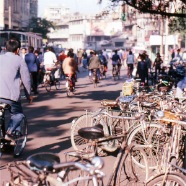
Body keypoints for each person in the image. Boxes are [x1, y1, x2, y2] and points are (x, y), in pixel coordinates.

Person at [0, 38, 32, 139]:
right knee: (18, 114)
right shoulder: (19, 60)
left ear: (5, 48)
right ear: (18, 50)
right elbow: (26, 80)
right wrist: (29, 95)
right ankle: (10, 132)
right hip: (10, 97)